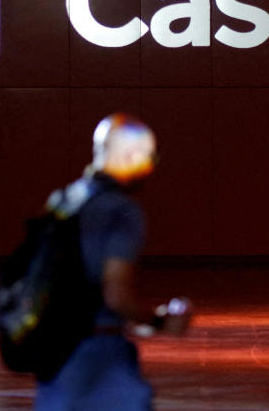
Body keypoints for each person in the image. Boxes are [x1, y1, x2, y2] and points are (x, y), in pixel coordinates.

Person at [34, 112, 191, 411]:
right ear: (132, 155)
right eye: (149, 157)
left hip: (54, 355)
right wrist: (159, 321)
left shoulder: (62, 201)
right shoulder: (121, 211)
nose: (150, 167)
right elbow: (115, 296)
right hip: (99, 357)